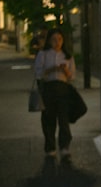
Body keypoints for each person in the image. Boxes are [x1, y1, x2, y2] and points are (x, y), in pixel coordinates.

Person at [33, 28, 77, 157]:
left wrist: (65, 71)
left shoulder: (67, 56)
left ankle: (64, 146)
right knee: (48, 119)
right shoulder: (43, 54)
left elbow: (72, 76)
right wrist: (52, 69)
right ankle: (50, 146)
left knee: (64, 119)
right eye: (54, 39)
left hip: (63, 89)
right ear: (49, 41)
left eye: (59, 39)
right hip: (48, 88)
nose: (57, 42)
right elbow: (38, 73)